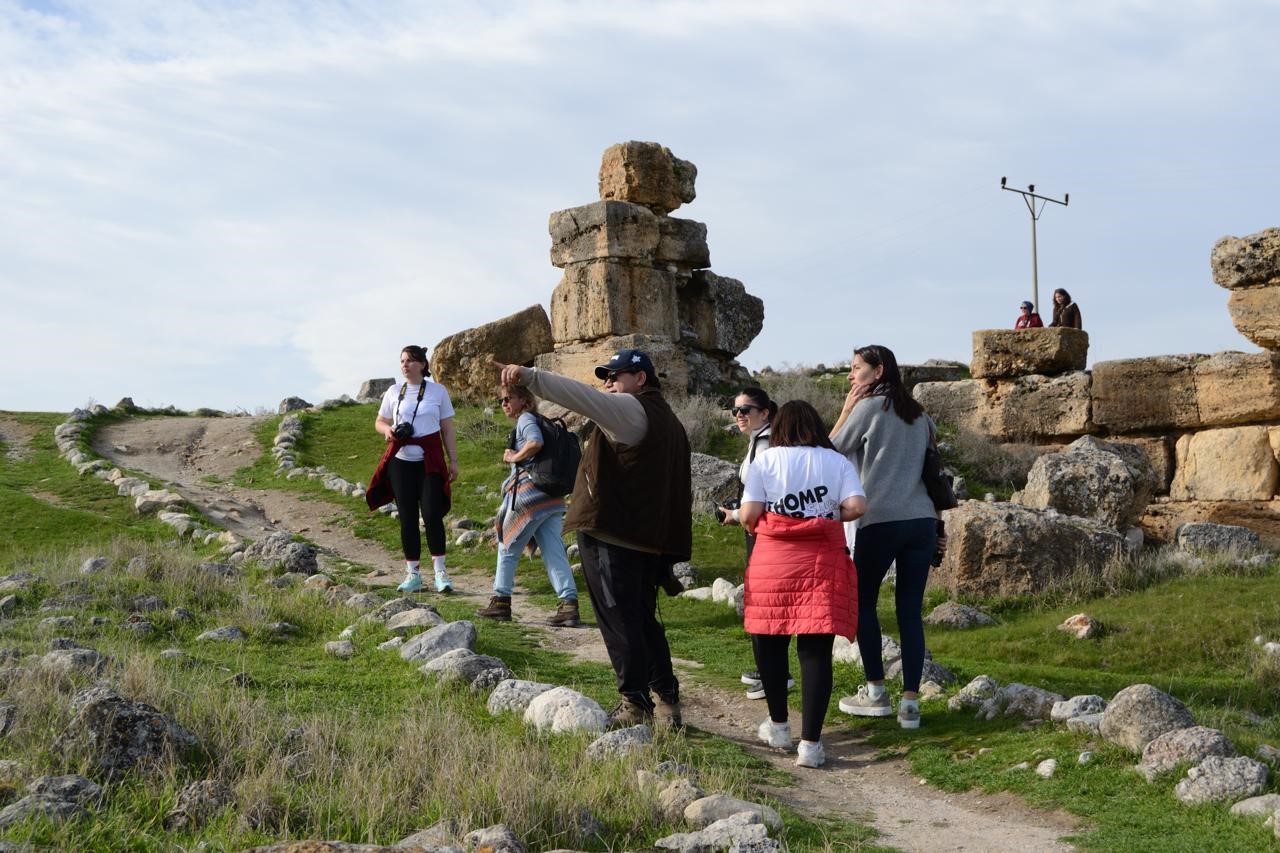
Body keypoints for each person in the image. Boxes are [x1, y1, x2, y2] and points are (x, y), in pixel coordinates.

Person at [493, 349, 691, 729]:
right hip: (647, 537)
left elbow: (579, 396)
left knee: (619, 620)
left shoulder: (632, 409)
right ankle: (667, 699)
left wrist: (529, 377)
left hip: (613, 533)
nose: (608, 383)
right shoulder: (670, 422)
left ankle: (635, 702)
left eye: (616, 376)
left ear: (641, 380)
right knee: (642, 619)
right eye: (606, 376)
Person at [741, 400, 866, 769]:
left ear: (779, 429)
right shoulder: (837, 462)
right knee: (815, 653)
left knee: (770, 643)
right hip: (820, 564)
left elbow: (748, 515)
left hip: (773, 562)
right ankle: (810, 745)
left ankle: (779, 726)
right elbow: (857, 506)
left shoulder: (766, 460)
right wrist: (826, 516)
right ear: (815, 425)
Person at [830, 344, 942, 730]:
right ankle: (910, 704)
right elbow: (933, 471)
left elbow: (830, 452)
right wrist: (938, 527)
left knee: (862, 603)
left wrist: (846, 408)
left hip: (879, 519)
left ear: (878, 372)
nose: (851, 376)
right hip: (922, 520)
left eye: (856, 368)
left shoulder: (867, 409)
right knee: (909, 611)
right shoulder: (921, 414)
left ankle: (876, 691)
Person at [476, 384, 581, 627]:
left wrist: (513, 456)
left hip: (531, 497)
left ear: (524, 400)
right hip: (552, 498)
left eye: (508, 398)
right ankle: (569, 605)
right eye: (501, 400)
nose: (503, 404)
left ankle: (501, 601)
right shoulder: (537, 419)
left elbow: (534, 442)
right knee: (555, 552)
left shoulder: (525, 419)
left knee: (508, 544)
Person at [714, 388, 795, 701]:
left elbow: (767, 497)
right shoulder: (760, 441)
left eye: (746, 409)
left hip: (764, 533)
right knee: (764, 600)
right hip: (761, 531)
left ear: (766, 412)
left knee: (766, 601)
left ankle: (776, 673)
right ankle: (770, 669)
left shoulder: (766, 446)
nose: (739, 415)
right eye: (735, 409)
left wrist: (736, 514)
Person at [365, 345, 459, 594]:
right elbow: (380, 420)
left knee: (431, 513)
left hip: (429, 460)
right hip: (401, 460)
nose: (405, 365)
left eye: (410, 360)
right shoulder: (394, 391)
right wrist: (387, 430)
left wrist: (454, 461)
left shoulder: (438, 392)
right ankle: (413, 574)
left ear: (423, 365)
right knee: (406, 517)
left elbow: (447, 429)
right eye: (402, 361)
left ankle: (440, 572)